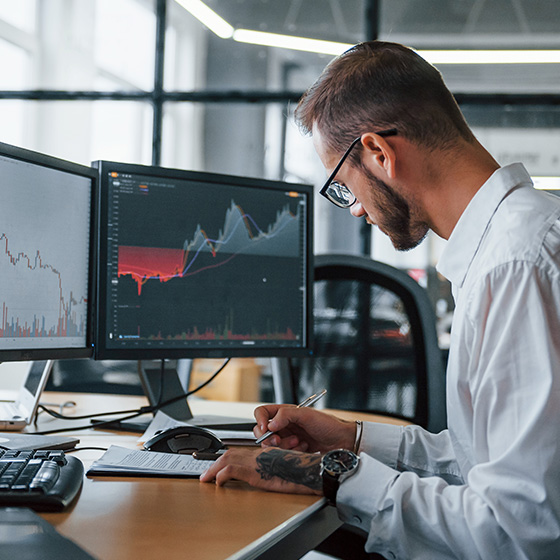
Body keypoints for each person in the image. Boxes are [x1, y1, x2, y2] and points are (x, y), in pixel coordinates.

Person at [200, 41, 560, 559]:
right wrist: (352, 440)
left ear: (379, 153)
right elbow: (484, 461)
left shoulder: (516, 267)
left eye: (343, 186)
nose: (353, 210)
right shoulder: (508, 247)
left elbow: (517, 533)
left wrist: (333, 475)